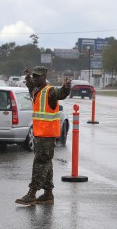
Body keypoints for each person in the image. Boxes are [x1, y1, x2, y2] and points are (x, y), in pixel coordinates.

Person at [15, 66, 71, 206]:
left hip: (47, 136)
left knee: (40, 163)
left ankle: (32, 194)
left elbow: (61, 94)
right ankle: (48, 194)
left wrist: (66, 87)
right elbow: (30, 85)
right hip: (39, 134)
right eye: (34, 76)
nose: (35, 78)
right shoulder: (36, 90)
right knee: (46, 163)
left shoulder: (50, 91)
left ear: (44, 77)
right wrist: (28, 77)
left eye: (37, 76)